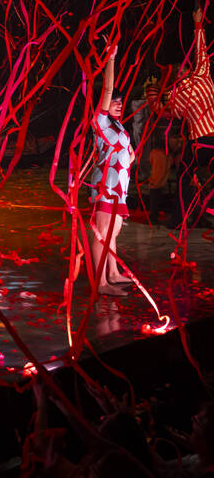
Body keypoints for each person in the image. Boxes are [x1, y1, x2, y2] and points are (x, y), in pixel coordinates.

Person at [147, 10, 214, 230]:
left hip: (200, 144)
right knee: (194, 177)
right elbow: (201, 50)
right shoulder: (203, 75)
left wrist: (152, 89)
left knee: (185, 176)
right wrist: (198, 24)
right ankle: (201, 213)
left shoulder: (176, 97)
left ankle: (181, 219)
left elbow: (160, 110)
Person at [84, 44, 134, 295]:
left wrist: (129, 157)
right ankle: (100, 283)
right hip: (106, 185)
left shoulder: (119, 127)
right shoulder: (100, 121)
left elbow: (127, 153)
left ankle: (113, 273)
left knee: (112, 232)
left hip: (119, 187)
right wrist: (111, 59)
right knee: (102, 233)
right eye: (114, 101)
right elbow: (107, 88)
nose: (117, 103)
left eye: (120, 101)